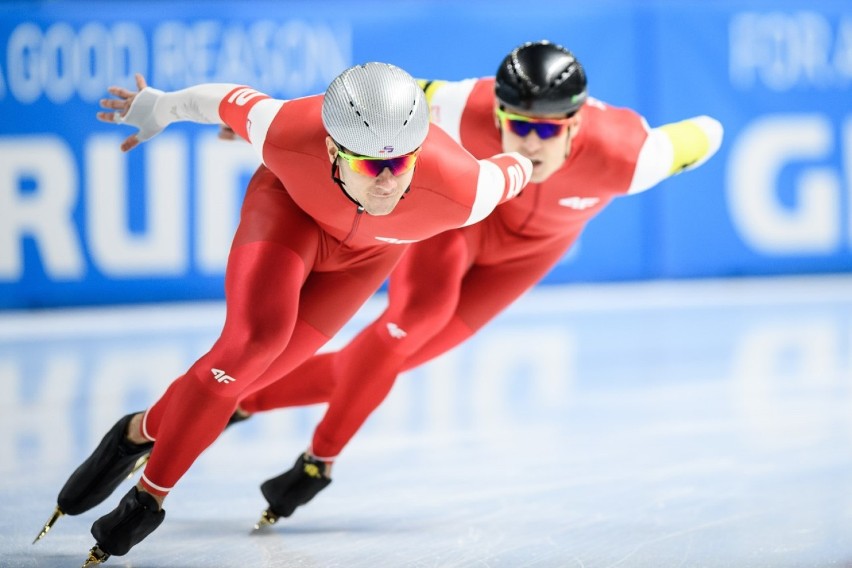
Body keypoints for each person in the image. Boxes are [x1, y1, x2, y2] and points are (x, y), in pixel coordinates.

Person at [35, 62, 533, 566]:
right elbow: (222, 99)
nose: (386, 184)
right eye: (368, 167)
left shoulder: (465, 190)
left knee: (247, 383)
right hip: (288, 214)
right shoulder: (286, 130)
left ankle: (138, 432)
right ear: (333, 150)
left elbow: (517, 169)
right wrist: (161, 106)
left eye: (401, 165)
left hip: (365, 260)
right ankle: (149, 497)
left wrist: (538, 160)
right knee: (253, 345)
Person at [232, 40, 724, 524]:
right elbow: (362, 103)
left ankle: (236, 401)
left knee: (390, 359)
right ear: (498, 113)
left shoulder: (633, 154)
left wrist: (699, 139)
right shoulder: (464, 103)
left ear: (576, 125)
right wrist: (277, 127)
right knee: (411, 323)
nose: (530, 142)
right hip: (464, 225)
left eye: (546, 130)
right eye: (517, 124)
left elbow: (709, 131)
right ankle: (318, 461)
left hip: (528, 256)